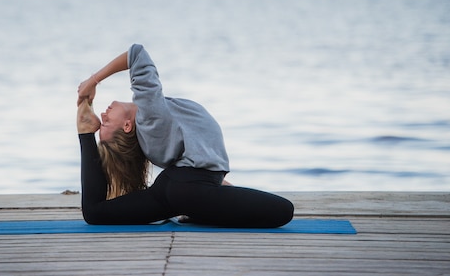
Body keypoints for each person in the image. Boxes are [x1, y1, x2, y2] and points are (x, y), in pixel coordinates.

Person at [76, 44, 294, 227]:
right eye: (106, 121)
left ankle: (85, 133)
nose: (104, 113)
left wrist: (222, 188)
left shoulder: (153, 127)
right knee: (284, 210)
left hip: (175, 189)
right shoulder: (150, 115)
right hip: (188, 189)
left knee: (97, 213)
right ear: (126, 126)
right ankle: (201, 209)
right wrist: (93, 81)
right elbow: (137, 54)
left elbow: (195, 156)